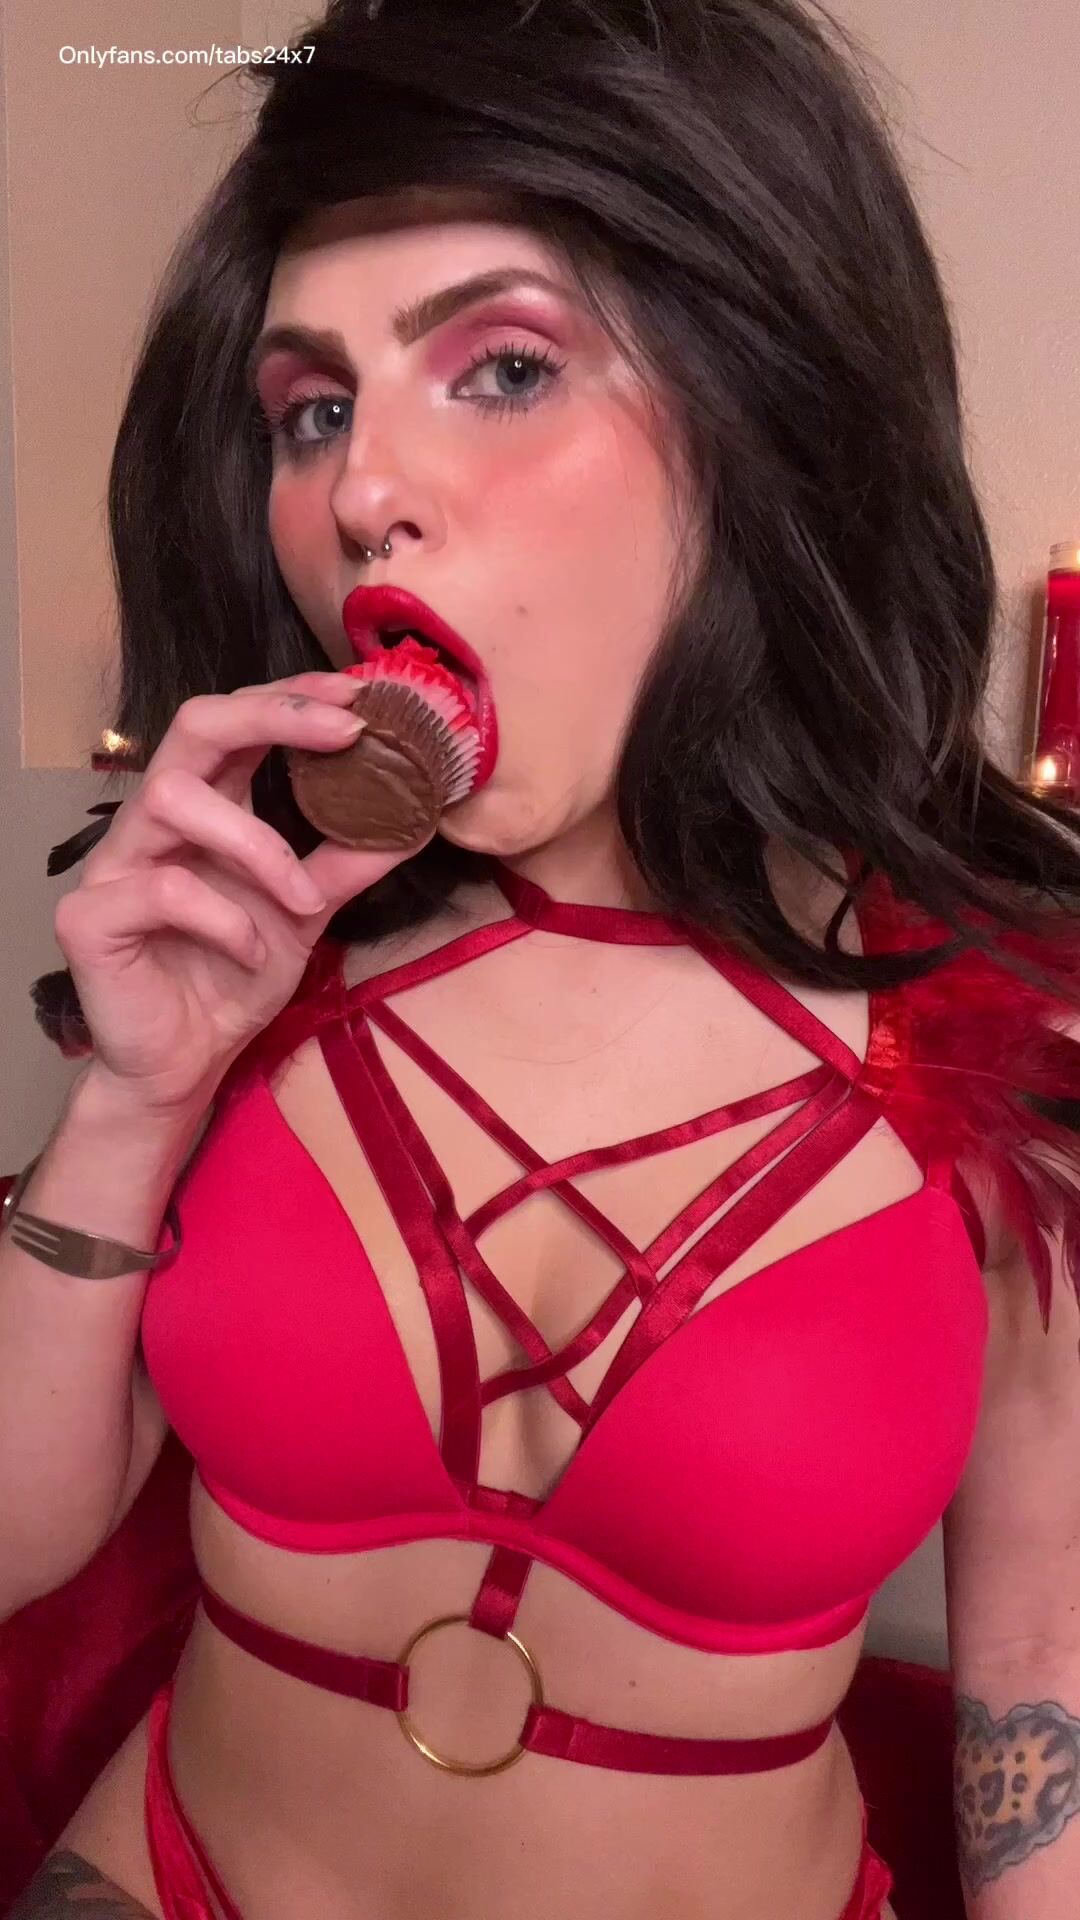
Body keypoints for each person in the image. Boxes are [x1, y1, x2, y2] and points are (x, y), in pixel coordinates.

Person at [3, 2, 1080, 1917]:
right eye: (313, 409)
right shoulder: (256, 946)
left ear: (767, 409)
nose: (359, 493)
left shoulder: (1001, 1018)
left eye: (502, 367)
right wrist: (134, 1101)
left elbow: (1042, 1673)